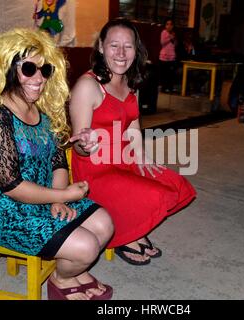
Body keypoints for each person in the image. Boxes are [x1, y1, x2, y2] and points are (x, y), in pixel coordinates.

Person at [0, 28, 114, 300]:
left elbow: (57, 161)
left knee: (104, 224)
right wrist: (63, 195)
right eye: (29, 69)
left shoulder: (41, 111)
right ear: (5, 68)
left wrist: (58, 201)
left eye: (45, 69)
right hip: (9, 212)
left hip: (45, 197)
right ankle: (61, 279)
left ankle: (71, 271)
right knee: (86, 247)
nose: (39, 78)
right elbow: (12, 186)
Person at [68, 18, 196, 266]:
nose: (121, 53)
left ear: (136, 50)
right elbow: (78, 144)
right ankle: (124, 234)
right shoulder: (88, 85)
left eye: (128, 46)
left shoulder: (130, 82)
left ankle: (132, 226)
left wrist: (142, 156)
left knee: (174, 183)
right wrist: (85, 145)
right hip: (96, 170)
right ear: (101, 47)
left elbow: (133, 125)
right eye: (114, 45)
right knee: (155, 194)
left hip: (125, 161)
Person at [159, 18, 178, 93]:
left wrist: (174, 39)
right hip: (163, 57)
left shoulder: (173, 34)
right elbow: (162, 42)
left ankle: (170, 88)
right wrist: (170, 37)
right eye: (167, 24)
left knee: (170, 74)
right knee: (163, 74)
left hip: (171, 57)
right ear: (165, 26)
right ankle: (163, 88)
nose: (169, 26)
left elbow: (175, 45)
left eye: (171, 24)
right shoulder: (163, 32)